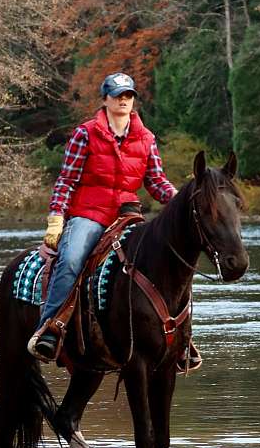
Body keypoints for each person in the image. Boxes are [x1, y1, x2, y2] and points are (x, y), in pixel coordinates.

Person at [27, 72, 178, 362]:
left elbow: (156, 181)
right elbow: (67, 180)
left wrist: (179, 199)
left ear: (133, 100)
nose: (123, 100)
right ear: (105, 99)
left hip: (128, 215)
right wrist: (56, 218)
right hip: (89, 214)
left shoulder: (146, 138)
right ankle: (50, 328)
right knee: (71, 259)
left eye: (128, 95)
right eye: (117, 95)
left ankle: (176, 338)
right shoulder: (86, 133)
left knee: (160, 261)